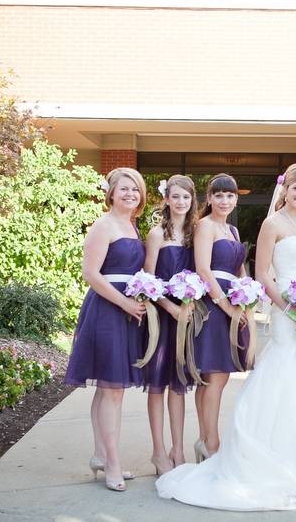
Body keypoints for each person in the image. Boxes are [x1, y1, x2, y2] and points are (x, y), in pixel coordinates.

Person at [156, 163, 296, 510]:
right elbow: (261, 272)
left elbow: (246, 271)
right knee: (268, 371)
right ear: (285, 190)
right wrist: (283, 306)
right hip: (279, 308)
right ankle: (220, 443)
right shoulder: (268, 224)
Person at [64, 167, 149, 492]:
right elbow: (91, 274)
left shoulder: (130, 225)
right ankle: (112, 463)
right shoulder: (103, 225)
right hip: (107, 311)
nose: (131, 194)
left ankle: (100, 455)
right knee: (112, 389)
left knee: (108, 390)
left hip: (127, 312)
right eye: (125, 189)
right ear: (111, 193)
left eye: (136, 190)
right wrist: (125, 304)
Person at [142, 175, 199, 475]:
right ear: (166, 199)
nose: (180, 202)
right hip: (161, 317)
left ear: (192, 201)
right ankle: (158, 451)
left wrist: (186, 309)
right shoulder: (156, 234)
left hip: (186, 317)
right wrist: (170, 308)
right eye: (175, 197)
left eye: (186, 198)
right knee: (157, 386)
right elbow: (148, 281)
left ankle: (178, 449)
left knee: (178, 387)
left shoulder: (194, 234)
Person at [191, 173, 250, 461]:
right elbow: (203, 269)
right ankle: (210, 443)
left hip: (233, 304)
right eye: (219, 195)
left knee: (217, 377)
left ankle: (204, 440)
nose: (225, 200)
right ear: (210, 198)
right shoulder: (205, 226)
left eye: (230, 195)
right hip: (213, 305)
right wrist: (225, 305)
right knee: (214, 376)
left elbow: (240, 270)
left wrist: (248, 293)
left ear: (236, 199)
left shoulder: (233, 231)